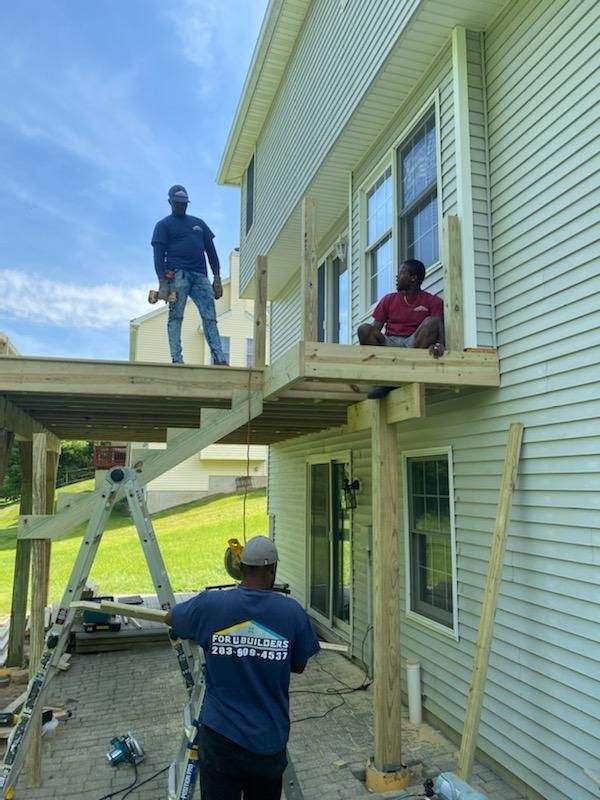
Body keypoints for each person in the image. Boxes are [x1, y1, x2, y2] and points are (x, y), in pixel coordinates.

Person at [165, 536, 320, 800]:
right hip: (267, 742)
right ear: (272, 569)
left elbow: (171, 618)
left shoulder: (210, 605)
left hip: (220, 738)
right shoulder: (292, 613)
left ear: (241, 567)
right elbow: (299, 665)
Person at [151, 185, 227, 365]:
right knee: (176, 315)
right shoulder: (163, 225)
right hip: (177, 275)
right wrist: (162, 282)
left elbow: (211, 252)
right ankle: (177, 359)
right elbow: (158, 255)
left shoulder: (199, 224)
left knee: (210, 317)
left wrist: (217, 278)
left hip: (201, 276)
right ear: (170, 202)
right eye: (178, 203)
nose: (181, 206)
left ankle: (219, 358)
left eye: (184, 203)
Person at [357, 258, 444, 399]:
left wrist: (440, 344)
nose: (397, 276)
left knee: (432, 322)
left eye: (402, 273)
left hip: (413, 345)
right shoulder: (388, 299)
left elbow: (437, 326)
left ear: (413, 278)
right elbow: (374, 330)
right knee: (364, 329)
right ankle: (386, 378)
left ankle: (400, 376)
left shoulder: (432, 301)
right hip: (390, 344)